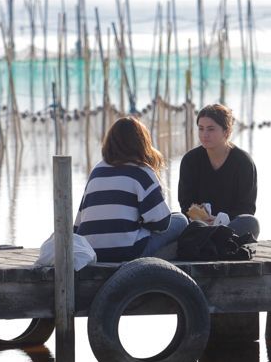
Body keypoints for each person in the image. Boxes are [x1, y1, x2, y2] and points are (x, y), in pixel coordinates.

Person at [75, 116, 188, 262]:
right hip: (127, 252)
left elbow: (77, 226)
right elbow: (161, 224)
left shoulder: (97, 170)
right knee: (180, 220)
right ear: (142, 142)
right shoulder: (141, 172)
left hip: (90, 252)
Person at [177, 103, 259, 240]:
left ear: (226, 132)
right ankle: (209, 242)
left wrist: (221, 219)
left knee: (251, 223)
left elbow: (247, 208)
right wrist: (200, 216)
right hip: (199, 225)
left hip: (230, 227)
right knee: (177, 220)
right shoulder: (190, 160)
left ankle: (215, 242)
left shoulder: (243, 162)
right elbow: (185, 202)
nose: (205, 135)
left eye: (211, 129)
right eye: (201, 129)